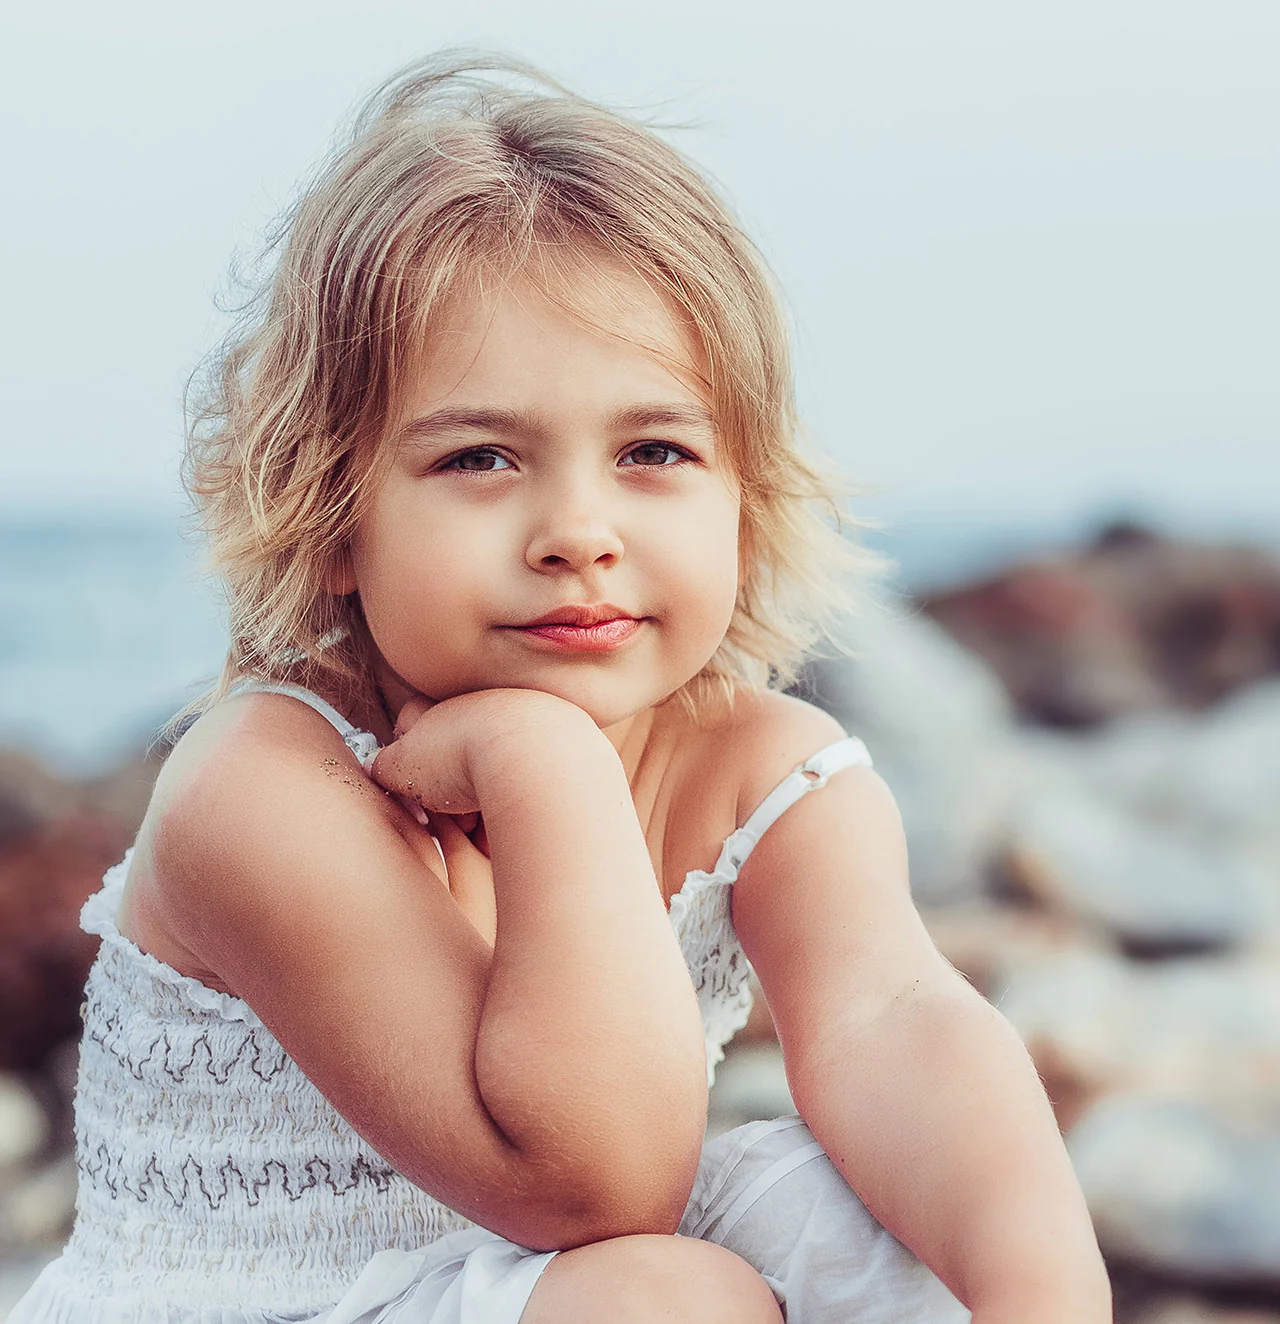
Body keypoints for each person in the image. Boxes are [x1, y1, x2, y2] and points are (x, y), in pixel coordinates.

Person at [11, 51, 1111, 1324]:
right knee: (667, 1295)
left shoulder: (764, 770)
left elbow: (893, 1021)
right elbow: (598, 1181)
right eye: (479, 457)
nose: (577, 530)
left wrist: (1039, 1293)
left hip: (531, 1282)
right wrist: (551, 774)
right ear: (325, 516)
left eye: (654, 449)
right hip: (277, 1300)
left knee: (870, 1215)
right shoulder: (263, 791)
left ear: (744, 499)